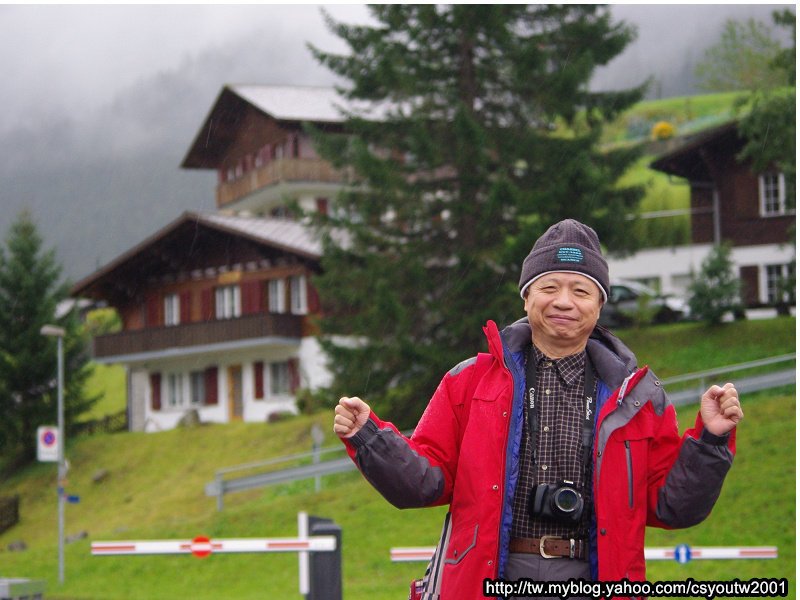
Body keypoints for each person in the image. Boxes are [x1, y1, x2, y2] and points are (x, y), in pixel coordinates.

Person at [333, 219, 742, 600]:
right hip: (489, 581)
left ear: (599, 305)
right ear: (526, 295)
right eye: (548, 287)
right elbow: (424, 482)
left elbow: (673, 504)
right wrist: (370, 438)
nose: (564, 301)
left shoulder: (637, 398)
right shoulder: (469, 381)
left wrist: (712, 439)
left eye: (581, 291)